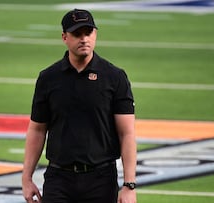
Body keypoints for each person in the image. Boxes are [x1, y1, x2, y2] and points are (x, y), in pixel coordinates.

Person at [22, 8, 137, 203]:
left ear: (95, 34)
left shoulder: (114, 77)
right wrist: (27, 178)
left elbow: (126, 133)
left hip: (100, 179)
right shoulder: (48, 78)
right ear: (64, 37)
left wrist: (129, 185)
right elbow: (37, 130)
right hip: (59, 178)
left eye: (88, 32)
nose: (84, 39)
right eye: (77, 34)